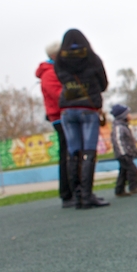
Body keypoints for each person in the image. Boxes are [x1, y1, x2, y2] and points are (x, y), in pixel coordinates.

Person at [54, 29, 110, 209]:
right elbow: (103, 84)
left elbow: (60, 79)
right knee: (88, 152)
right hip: (88, 108)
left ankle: (77, 196)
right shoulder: (92, 59)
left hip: (67, 110)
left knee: (73, 152)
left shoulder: (60, 61)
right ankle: (87, 195)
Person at [36, 41, 75, 208]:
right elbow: (59, 95)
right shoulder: (50, 73)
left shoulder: (57, 70)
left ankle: (74, 190)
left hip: (66, 114)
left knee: (72, 153)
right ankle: (67, 193)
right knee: (67, 154)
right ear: (54, 55)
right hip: (60, 117)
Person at [109, 104, 137, 198]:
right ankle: (133, 187)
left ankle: (119, 190)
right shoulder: (119, 127)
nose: (130, 115)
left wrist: (133, 151)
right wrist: (123, 153)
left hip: (127, 152)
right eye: (128, 113)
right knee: (132, 169)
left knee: (123, 171)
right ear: (123, 115)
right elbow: (118, 140)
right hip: (123, 153)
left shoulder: (124, 126)